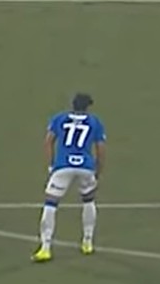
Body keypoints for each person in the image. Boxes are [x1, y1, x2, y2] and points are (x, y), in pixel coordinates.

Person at [34, 93, 106, 263]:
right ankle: (87, 242)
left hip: (63, 166)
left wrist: (51, 165)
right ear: (88, 107)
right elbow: (101, 149)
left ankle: (45, 247)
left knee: (50, 204)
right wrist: (98, 171)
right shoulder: (95, 122)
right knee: (88, 201)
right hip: (85, 167)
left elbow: (48, 141)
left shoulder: (59, 118)